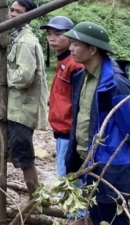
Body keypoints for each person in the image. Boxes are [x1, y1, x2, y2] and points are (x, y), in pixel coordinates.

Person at [64, 22, 130, 225]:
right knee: (97, 215)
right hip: (89, 162)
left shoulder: (114, 83)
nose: (71, 49)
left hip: (111, 165)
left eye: (76, 44)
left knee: (112, 218)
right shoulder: (82, 77)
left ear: (93, 49)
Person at [41, 15, 86, 220]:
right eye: (49, 34)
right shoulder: (62, 62)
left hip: (70, 133)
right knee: (68, 180)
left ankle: (77, 218)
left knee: (69, 181)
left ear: (71, 37)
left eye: (58, 34)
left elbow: (79, 104)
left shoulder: (74, 65)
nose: (52, 38)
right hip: (61, 131)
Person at [6, 0, 48, 195]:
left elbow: (24, 77)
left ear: (29, 16)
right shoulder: (18, 37)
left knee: (24, 155)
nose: (13, 14)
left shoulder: (24, 41)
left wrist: (5, 78)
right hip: (18, 108)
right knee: (17, 151)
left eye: (19, 12)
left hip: (22, 109)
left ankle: (36, 197)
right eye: (12, 10)